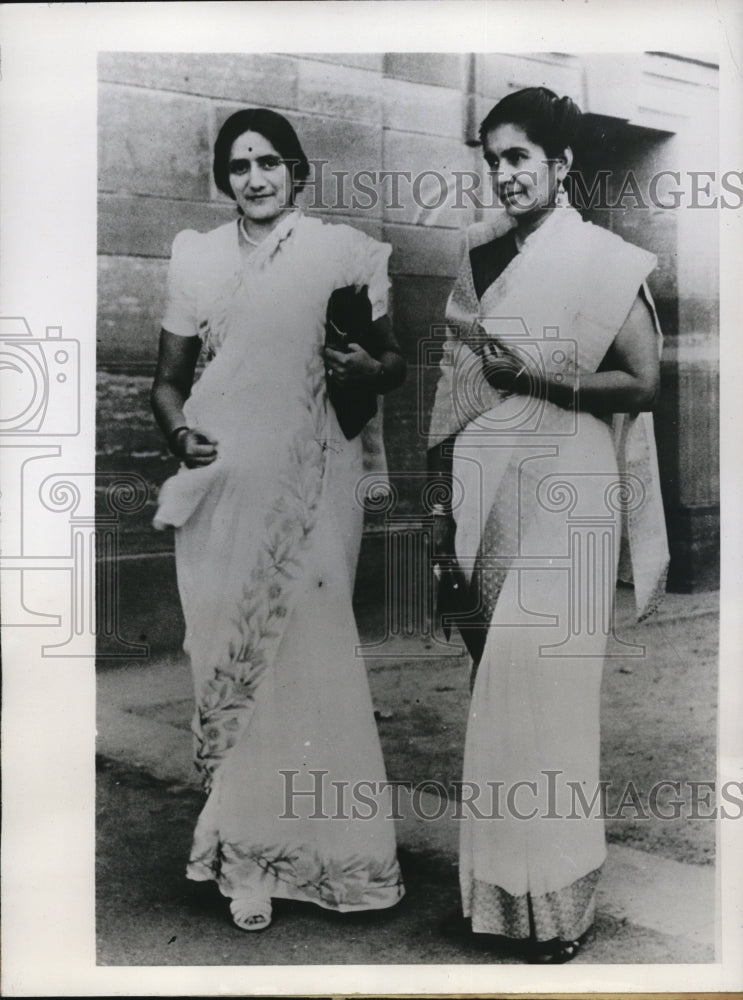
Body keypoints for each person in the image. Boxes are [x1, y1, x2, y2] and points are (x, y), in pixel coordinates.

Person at [427, 88, 669, 962]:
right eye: (492, 159)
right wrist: (437, 508)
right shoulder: (478, 255)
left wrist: (537, 380)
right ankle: (498, 906)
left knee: (544, 687)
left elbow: (641, 381)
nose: (504, 174)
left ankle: (559, 909)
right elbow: (453, 387)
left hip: (569, 484)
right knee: (497, 688)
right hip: (486, 483)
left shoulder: (604, 260)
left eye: (519, 157)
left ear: (561, 164)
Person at [151, 108, 406, 932]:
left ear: (298, 172)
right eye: (239, 166)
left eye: (268, 162)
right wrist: (179, 434)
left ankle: (340, 860)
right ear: (224, 180)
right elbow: (167, 382)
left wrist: (369, 367)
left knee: (312, 651)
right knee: (232, 659)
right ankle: (247, 858)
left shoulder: (340, 253)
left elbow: (390, 360)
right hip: (223, 491)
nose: (254, 178)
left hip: (309, 487)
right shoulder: (197, 258)